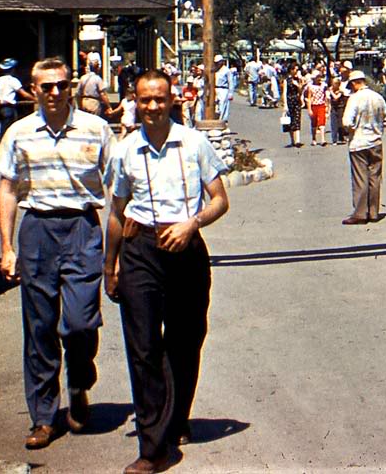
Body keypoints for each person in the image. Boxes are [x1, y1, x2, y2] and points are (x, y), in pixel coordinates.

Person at [104, 69, 229, 474]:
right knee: (142, 346)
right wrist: (111, 265)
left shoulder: (193, 143)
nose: (153, 107)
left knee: (185, 338)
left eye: (160, 99)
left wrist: (192, 223)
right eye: (145, 100)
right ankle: (153, 448)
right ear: (134, 102)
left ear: (173, 99)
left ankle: (175, 419)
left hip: (186, 249)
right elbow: (117, 212)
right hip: (141, 251)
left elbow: (219, 200)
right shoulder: (125, 150)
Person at [0, 57, 114, 451]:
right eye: (47, 87)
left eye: (62, 84)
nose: (56, 93)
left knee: (80, 320)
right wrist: (7, 247)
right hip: (38, 230)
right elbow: (9, 190)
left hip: (82, 227)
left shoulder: (96, 129)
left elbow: (118, 185)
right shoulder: (19, 132)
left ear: (72, 85)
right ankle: (44, 417)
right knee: (40, 328)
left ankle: (79, 380)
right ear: (34, 89)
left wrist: (119, 246)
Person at [341, 70, 386, 225]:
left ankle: (361, 212)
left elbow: (347, 121)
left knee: (360, 178)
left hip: (359, 142)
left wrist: (351, 129)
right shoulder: (378, 97)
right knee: (374, 177)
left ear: (355, 83)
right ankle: (373, 211)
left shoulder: (354, 99)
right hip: (375, 141)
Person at [0, 58, 36, 152]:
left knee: (0, 130)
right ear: (12, 69)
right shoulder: (12, 80)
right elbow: (23, 93)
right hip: (8, 108)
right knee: (8, 132)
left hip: (0, 108)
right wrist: (35, 99)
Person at [280, 60, 304, 147]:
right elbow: (285, 92)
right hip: (289, 100)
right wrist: (285, 104)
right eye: (295, 70)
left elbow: (301, 91)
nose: (297, 72)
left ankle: (298, 140)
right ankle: (292, 140)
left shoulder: (299, 80)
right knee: (289, 121)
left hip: (296, 101)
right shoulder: (287, 80)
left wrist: (298, 85)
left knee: (297, 120)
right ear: (291, 70)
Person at [304, 72, 328, 146]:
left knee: (322, 122)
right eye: (318, 77)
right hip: (314, 105)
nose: (319, 79)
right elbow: (309, 98)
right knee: (314, 123)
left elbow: (325, 95)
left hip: (321, 105)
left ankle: (323, 139)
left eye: (320, 77)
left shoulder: (323, 85)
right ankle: (314, 138)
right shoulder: (310, 87)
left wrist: (326, 105)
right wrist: (309, 109)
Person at [327, 76, 348, 146]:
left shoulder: (340, 91)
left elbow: (336, 98)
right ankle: (334, 140)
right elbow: (329, 101)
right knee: (333, 124)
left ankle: (342, 138)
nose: (333, 85)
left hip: (340, 108)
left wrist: (331, 92)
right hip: (333, 108)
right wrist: (328, 111)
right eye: (332, 83)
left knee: (340, 124)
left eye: (335, 84)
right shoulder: (330, 91)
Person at [213, 55, 234, 122]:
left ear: (222, 62)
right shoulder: (215, 69)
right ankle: (216, 121)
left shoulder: (226, 70)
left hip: (223, 89)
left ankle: (222, 122)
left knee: (223, 106)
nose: (217, 64)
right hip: (215, 88)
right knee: (216, 106)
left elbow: (230, 82)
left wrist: (230, 93)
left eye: (218, 62)